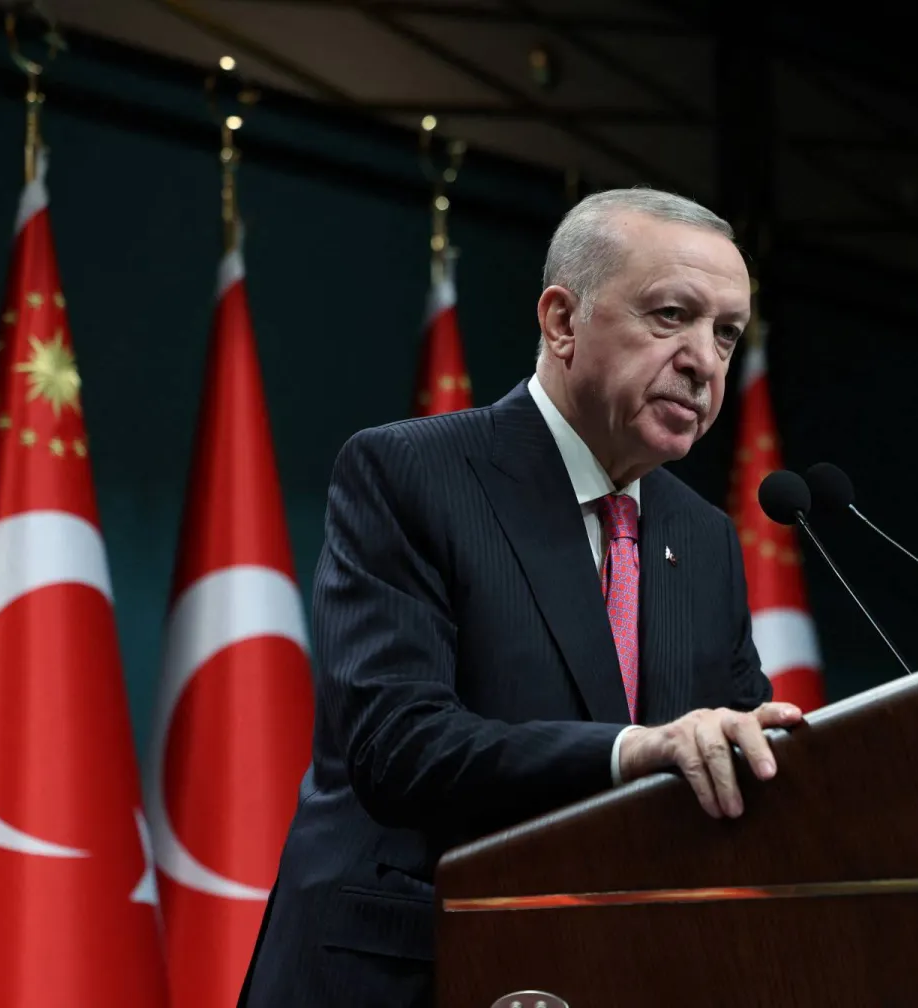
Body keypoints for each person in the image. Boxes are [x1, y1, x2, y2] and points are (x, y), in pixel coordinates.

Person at [237, 188, 804, 1007]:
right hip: (410, 972)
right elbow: (399, 744)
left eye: (725, 333)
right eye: (671, 316)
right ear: (562, 321)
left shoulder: (706, 538)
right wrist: (631, 751)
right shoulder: (411, 473)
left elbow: (736, 759)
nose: (704, 361)